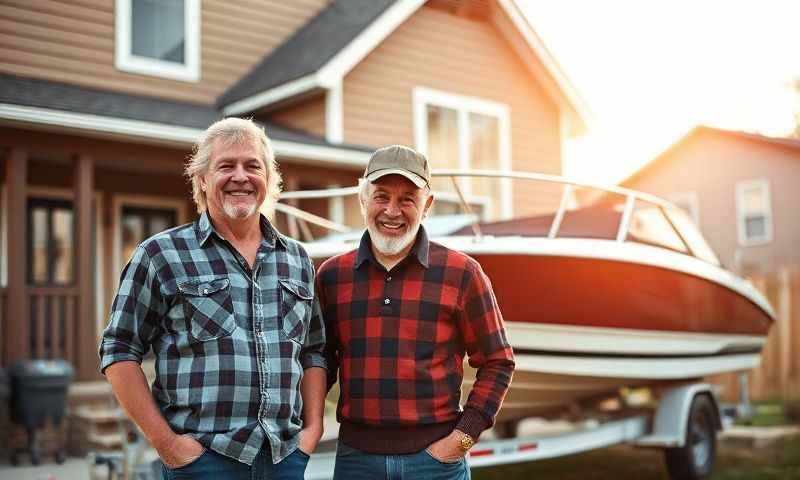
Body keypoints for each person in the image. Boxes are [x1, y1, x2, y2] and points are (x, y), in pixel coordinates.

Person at [99, 118, 327, 479]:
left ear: (269, 180)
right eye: (226, 165)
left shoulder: (297, 259)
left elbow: (314, 350)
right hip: (204, 462)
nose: (241, 176)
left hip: (285, 459)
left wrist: (312, 431)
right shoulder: (161, 254)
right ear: (202, 180)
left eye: (253, 165)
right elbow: (119, 349)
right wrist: (168, 445)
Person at [316, 145, 515, 479]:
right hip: (356, 462)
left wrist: (461, 439)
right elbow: (320, 362)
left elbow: (498, 361)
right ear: (363, 198)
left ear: (428, 205)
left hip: (436, 462)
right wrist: (301, 426)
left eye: (408, 198)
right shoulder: (332, 276)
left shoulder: (462, 272)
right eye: (381, 196)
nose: (393, 211)